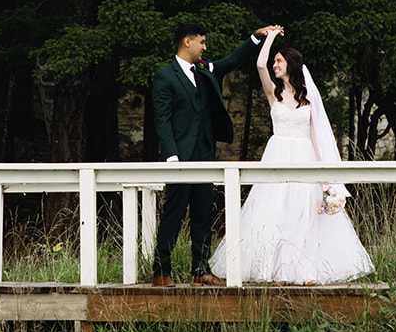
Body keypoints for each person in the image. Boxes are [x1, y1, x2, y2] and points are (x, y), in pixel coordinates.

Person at [209, 27, 373, 284]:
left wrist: (325, 178)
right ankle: (271, 269)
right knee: (273, 211)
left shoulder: (308, 98)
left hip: (304, 156)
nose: (275, 65)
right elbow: (260, 64)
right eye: (275, 61)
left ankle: (304, 271)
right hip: (277, 155)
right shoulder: (273, 93)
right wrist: (271, 36)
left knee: (304, 213)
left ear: (291, 65)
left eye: (280, 61)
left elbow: (318, 138)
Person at [150, 21, 271, 286]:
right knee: (174, 213)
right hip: (180, 158)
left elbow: (230, 61)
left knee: (204, 212)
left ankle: (200, 270)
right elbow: (163, 120)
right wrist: (171, 156)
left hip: (205, 154)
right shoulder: (165, 76)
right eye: (202, 42)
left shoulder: (205, 69)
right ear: (187, 42)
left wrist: (255, 37)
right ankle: (161, 272)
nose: (205, 47)